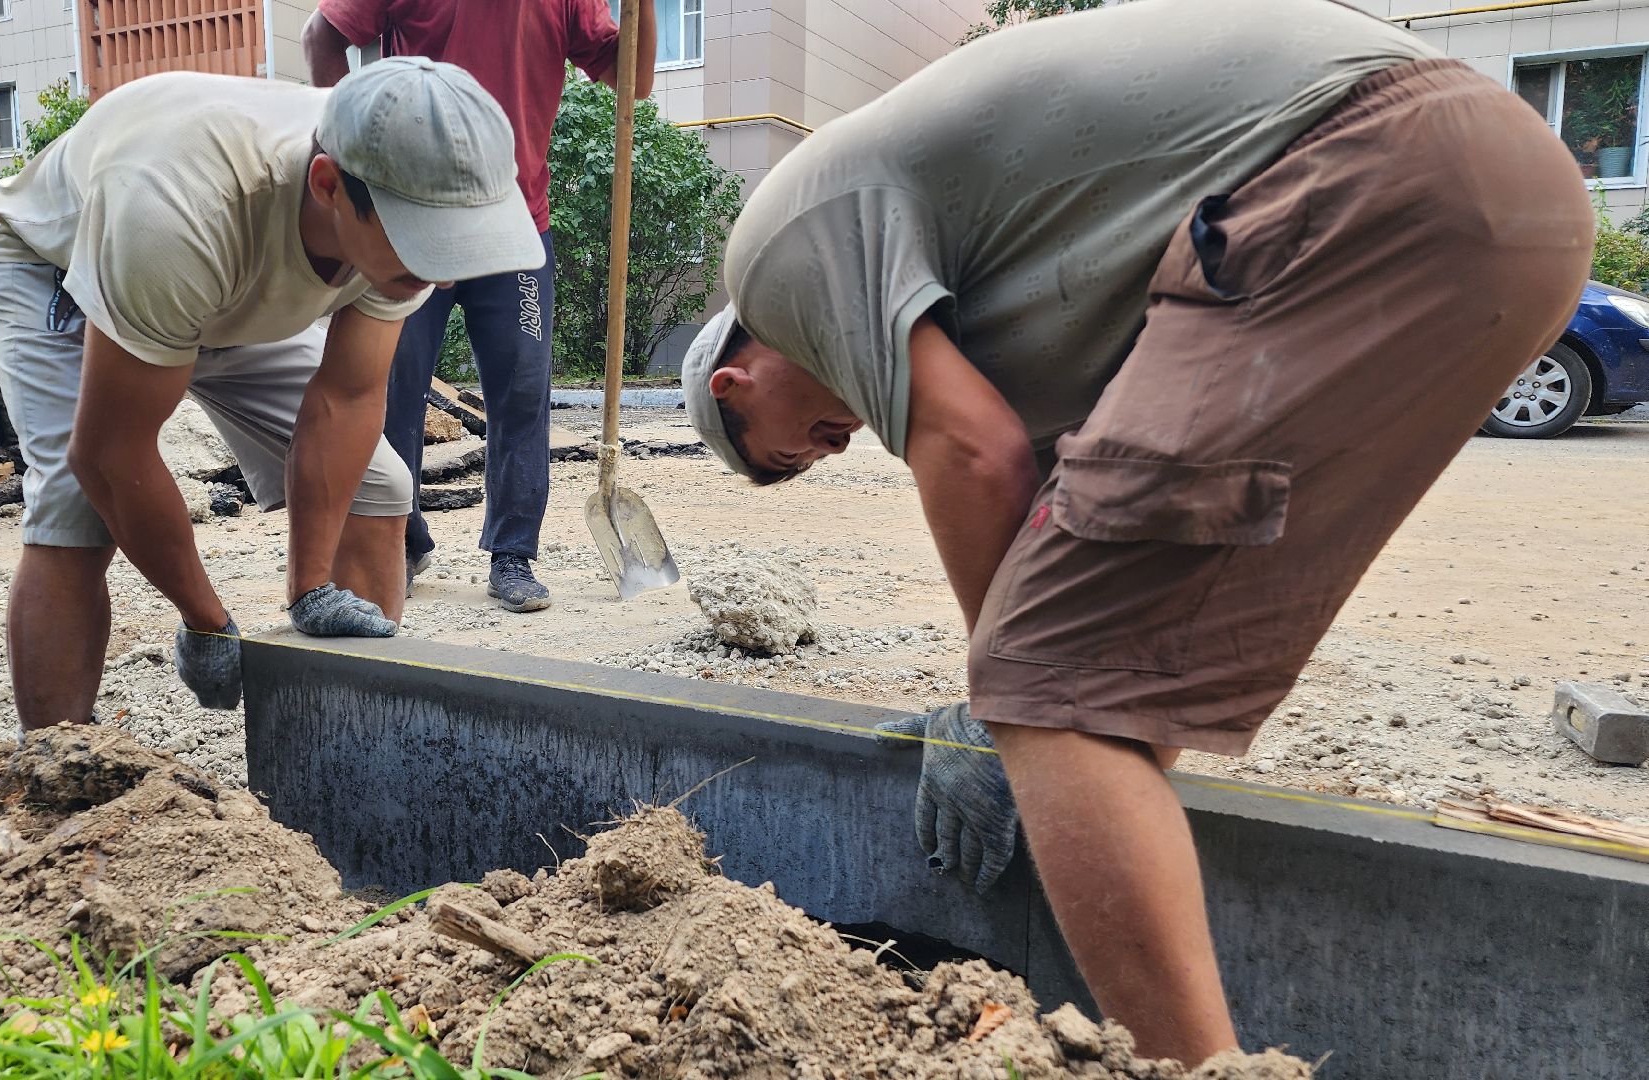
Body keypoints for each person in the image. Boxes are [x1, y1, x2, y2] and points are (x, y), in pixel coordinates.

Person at [678, 0, 1593, 1062]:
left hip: (1360, 168)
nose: (833, 449)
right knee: (1097, 690)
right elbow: (1080, 548)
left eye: (790, 451)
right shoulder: (1011, 303)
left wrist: (1000, 696)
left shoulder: (773, 261)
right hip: (1506, 201)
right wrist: (1039, 691)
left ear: (735, 382)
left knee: (1044, 681)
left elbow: (979, 459)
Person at [0, 57, 545, 728]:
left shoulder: (398, 186)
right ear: (329, 185)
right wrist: (206, 619)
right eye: (425, 246)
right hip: (68, 266)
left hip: (226, 282)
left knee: (378, 486)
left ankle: (349, 750)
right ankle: (57, 772)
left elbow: (347, 398)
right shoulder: (176, 207)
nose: (442, 277)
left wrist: (313, 588)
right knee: (78, 512)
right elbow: (111, 455)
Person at [303, 0, 656, 613]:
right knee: (390, 385)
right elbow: (321, 36)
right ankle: (401, 540)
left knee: (522, 389)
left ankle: (513, 554)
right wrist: (352, 151)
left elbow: (636, 81)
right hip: (414, 220)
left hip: (514, 229)